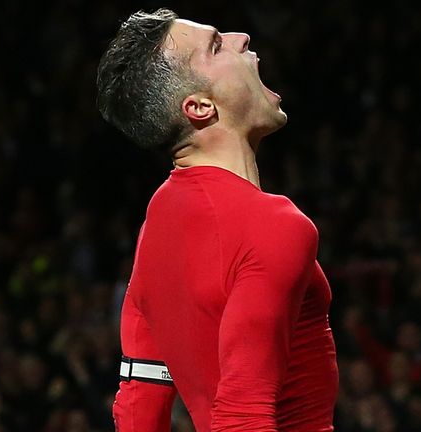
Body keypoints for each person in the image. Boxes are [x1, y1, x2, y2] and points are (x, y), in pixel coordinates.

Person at [96, 8, 339, 432]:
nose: (241, 36)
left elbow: (141, 399)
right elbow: (242, 416)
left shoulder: (158, 220)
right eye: (215, 45)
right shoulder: (274, 225)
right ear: (199, 106)